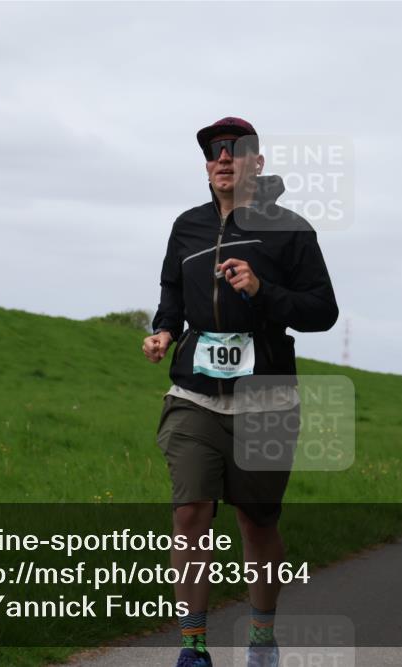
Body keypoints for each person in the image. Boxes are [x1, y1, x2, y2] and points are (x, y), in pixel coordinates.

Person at [143, 117, 339, 667]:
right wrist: (163, 330)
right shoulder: (186, 228)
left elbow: (323, 311)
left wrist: (262, 289)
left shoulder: (290, 230)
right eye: (213, 153)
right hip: (195, 394)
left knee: (257, 521)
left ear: (257, 163)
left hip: (267, 397)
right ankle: (193, 647)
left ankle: (260, 638)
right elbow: (171, 294)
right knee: (190, 514)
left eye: (235, 151)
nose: (223, 159)